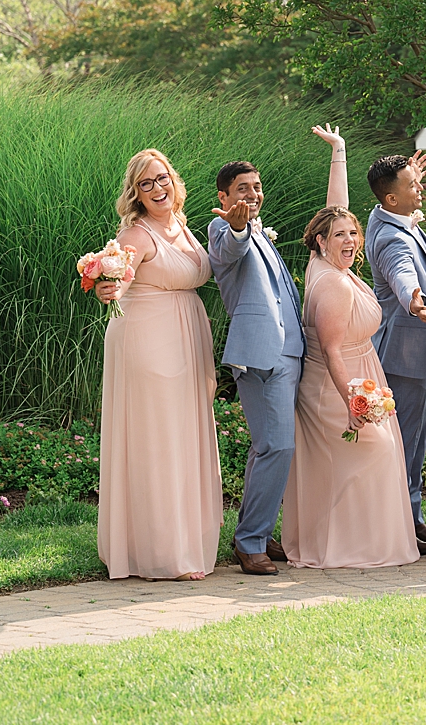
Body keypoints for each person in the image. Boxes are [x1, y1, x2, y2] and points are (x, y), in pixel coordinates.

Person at [280, 126, 421, 569]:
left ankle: (354, 542)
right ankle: (353, 548)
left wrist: (339, 153)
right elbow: (334, 351)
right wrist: (353, 402)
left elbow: (333, 209)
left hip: (362, 373)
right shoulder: (334, 285)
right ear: (321, 241)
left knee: (359, 462)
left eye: (352, 233)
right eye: (338, 234)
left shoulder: (324, 265)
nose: (348, 239)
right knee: (370, 456)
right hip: (336, 386)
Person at [95, 149, 222, 581]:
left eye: (162, 178)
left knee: (185, 438)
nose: (157, 188)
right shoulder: (136, 234)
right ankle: (164, 552)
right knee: (161, 440)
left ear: (174, 179)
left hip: (188, 338)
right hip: (150, 342)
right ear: (136, 193)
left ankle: (185, 541)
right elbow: (121, 277)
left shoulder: (183, 227)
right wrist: (107, 287)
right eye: (146, 183)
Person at [209, 153, 305, 575]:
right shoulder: (224, 229)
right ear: (224, 196)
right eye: (243, 189)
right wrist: (236, 224)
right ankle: (250, 542)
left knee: (266, 448)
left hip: (292, 352)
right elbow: (230, 249)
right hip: (261, 356)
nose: (253, 195)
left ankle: (257, 532)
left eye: (256, 187)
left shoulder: (263, 233)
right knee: (277, 446)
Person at [363, 153, 426, 552]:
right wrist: (413, 298)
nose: (419, 189)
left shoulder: (386, 217)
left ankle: (411, 519)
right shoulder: (390, 236)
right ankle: (400, 524)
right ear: (391, 200)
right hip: (404, 352)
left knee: (413, 443)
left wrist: (409, 176)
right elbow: (402, 271)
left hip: (417, 349)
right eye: (411, 186)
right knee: (404, 443)